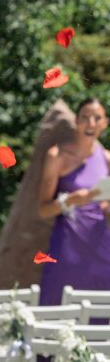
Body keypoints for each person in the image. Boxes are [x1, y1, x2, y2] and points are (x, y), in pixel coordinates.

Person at [37, 97, 110, 306]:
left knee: (100, 317)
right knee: (56, 310)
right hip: (67, 249)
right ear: (76, 121)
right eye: (85, 117)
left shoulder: (106, 158)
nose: (91, 124)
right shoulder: (57, 155)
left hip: (102, 248)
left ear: (105, 123)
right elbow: (42, 210)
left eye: (97, 118)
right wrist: (70, 201)